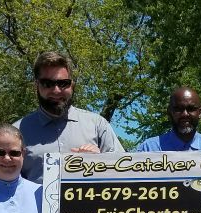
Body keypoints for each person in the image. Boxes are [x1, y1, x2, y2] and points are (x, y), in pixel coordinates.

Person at [15, 51, 124, 184]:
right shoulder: (16, 132)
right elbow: (6, 182)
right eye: (47, 83)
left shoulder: (98, 125)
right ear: (36, 86)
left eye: (63, 83)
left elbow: (123, 174)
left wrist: (99, 163)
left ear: (71, 85)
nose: (56, 90)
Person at [137, 86, 201, 151]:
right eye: (178, 109)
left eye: (191, 109)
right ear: (169, 112)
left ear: (200, 113)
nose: (185, 114)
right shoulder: (148, 148)